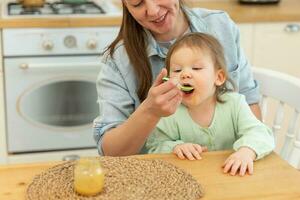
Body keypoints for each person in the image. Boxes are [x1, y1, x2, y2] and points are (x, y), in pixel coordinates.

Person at [93, 0, 262, 156]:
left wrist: (248, 150)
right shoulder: (118, 60)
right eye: (137, 3)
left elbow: (250, 103)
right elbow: (111, 153)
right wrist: (150, 111)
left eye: (197, 68)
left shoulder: (221, 25)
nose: (152, 11)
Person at [145, 32, 275, 176]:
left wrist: (247, 151)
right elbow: (155, 147)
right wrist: (176, 147)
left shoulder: (235, 104)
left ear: (218, 77)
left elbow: (261, 133)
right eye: (177, 70)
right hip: (189, 179)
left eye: (196, 68)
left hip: (231, 176)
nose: (185, 74)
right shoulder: (169, 111)